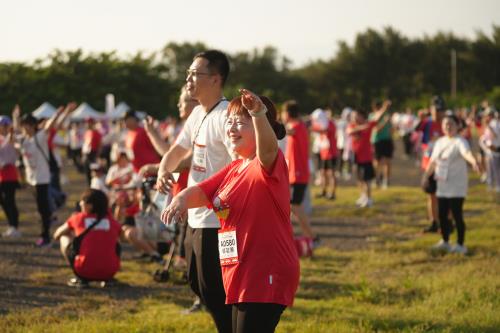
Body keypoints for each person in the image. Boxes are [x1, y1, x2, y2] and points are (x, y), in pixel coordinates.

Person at [162, 89, 299, 333]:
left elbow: (267, 150)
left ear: (260, 128)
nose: (232, 128)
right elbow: (202, 191)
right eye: (230, 122)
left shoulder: (267, 163)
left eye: (240, 122)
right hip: (239, 272)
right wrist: (180, 200)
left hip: (265, 270)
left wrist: (257, 112)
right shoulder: (236, 167)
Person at [156, 50, 234, 332]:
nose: (188, 79)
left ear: (215, 79)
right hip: (195, 216)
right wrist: (165, 169)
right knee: (195, 281)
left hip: (218, 219)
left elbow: (240, 166)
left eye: (195, 74)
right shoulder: (198, 113)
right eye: (188, 73)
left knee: (215, 290)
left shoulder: (226, 115)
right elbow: (177, 149)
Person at [422, 114, 480, 254]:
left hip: (457, 185)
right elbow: (433, 161)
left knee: (456, 214)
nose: (448, 127)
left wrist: (473, 162)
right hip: (442, 184)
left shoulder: (460, 141)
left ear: (457, 126)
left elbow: (466, 153)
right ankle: (445, 241)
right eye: (445, 124)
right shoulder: (440, 142)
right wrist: (426, 175)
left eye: (451, 124)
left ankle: (460, 244)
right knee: (442, 215)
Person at [13, 106, 64, 247]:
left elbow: (48, 126)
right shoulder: (23, 140)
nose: (27, 128)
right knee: (40, 208)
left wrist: (56, 114)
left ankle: (45, 237)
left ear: (34, 126)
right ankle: (52, 212)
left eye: (29, 125)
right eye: (25, 125)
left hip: (42, 178)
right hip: (31, 179)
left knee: (43, 210)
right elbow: (15, 134)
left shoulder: (39, 137)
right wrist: (15, 117)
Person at [53, 189, 122, 288]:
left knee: (64, 237)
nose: (80, 204)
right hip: (110, 271)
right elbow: (122, 237)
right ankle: (108, 278)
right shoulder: (111, 221)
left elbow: (57, 234)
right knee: (115, 241)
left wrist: (74, 234)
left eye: (82, 201)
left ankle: (79, 277)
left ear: (89, 206)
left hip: (84, 270)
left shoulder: (79, 218)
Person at [282, 100, 318, 245]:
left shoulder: (296, 126)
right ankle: (308, 237)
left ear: (288, 114)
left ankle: (313, 237)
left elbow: (286, 130)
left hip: (298, 173)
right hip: (296, 173)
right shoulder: (300, 125)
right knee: (293, 206)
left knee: (295, 205)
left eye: (283, 112)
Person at [347, 103, 389, 208]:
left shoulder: (369, 124)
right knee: (359, 179)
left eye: (356, 116)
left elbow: (377, 117)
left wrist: (384, 108)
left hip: (366, 157)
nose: (354, 118)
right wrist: (362, 127)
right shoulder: (353, 125)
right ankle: (363, 196)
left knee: (367, 180)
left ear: (362, 116)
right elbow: (349, 131)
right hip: (356, 156)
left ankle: (369, 199)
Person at [0, 116, 20, 237]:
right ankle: (11, 225)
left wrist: (15, 120)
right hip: (1, 175)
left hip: (10, 175)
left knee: (10, 201)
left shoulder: (11, 138)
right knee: (3, 202)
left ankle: (14, 226)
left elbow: (12, 141)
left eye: (4, 125)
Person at [369, 100, 393, 189]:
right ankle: (376, 179)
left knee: (387, 161)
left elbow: (391, 128)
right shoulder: (372, 115)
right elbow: (376, 128)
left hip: (387, 140)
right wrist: (383, 109)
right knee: (377, 162)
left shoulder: (386, 116)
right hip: (377, 140)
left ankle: (386, 181)